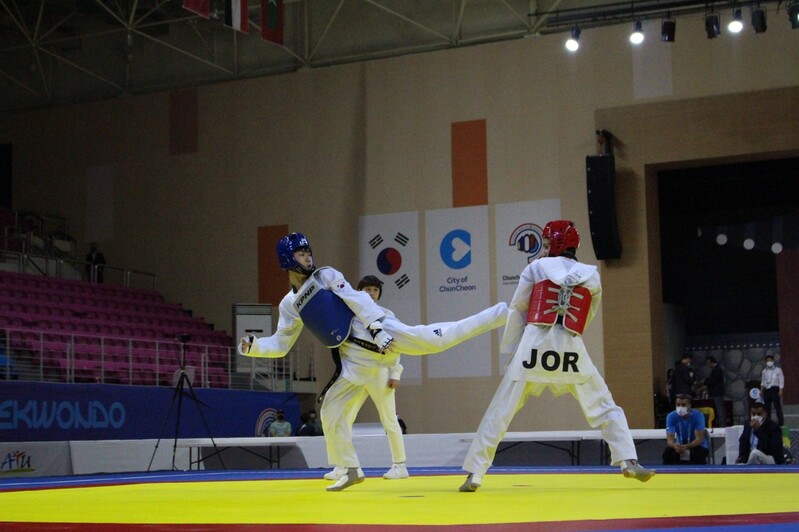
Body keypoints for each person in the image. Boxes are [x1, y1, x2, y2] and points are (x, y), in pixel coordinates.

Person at [239, 233, 508, 491]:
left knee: (433, 340)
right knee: (330, 410)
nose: (308, 258)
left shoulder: (326, 276)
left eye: (308, 252)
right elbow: (282, 343)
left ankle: (498, 315)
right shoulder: (289, 304)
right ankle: (350, 468)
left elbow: (357, 299)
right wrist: (255, 347)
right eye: (301, 253)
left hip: (371, 330)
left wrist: (377, 329)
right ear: (287, 258)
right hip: (353, 358)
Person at [459, 220, 654, 492]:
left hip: (534, 344)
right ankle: (628, 459)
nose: (546, 248)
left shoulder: (536, 267)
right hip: (571, 346)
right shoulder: (591, 275)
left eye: (548, 243)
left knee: (500, 411)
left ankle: (475, 473)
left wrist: (512, 350)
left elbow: (519, 308)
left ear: (556, 244)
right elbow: (588, 314)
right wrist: (571, 333)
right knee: (604, 403)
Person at [321, 275, 408, 486]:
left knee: (388, 418)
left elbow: (396, 345)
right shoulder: (347, 316)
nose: (370, 293)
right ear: (357, 292)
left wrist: (395, 373)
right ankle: (344, 465)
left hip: (379, 373)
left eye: (374, 290)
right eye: (366, 289)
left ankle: (400, 465)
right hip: (357, 373)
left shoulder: (386, 315)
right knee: (344, 417)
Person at [662, 394, 708, 465]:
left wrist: (687, 446)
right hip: (679, 445)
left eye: (683, 405)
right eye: (678, 405)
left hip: (696, 445)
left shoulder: (698, 416)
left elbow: (699, 439)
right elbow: (670, 440)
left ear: (689, 406)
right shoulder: (671, 416)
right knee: (667, 454)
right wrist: (675, 446)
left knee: (700, 454)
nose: (680, 407)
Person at [736, 399, 785, 465]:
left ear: (765, 415)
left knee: (755, 453)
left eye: (759, 414)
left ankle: (748, 471)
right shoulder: (748, 424)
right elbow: (743, 441)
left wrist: (758, 430)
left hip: (770, 458)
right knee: (738, 466)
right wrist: (741, 456)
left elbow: (773, 448)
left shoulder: (773, 427)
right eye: (753, 414)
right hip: (751, 460)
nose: (756, 416)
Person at [760, 354, 785, 426]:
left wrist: (781, 389)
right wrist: (761, 390)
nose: (769, 362)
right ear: (765, 362)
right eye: (767, 361)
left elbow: (781, 380)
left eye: (770, 360)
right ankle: (768, 422)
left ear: (773, 361)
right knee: (767, 407)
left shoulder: (778, 370)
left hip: (775, 388)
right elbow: (763, 381)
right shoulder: (764, 371)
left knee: (777, 406)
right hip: (767, 389)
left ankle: (780, 423)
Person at [704, 356, 725, 427]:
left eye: (708, 363)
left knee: (719, 409)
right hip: (716, 392)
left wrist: (706, 382)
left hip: (717, 392)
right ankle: (720, 423)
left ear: (711, 362)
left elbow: (713, 380)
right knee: (719, 408)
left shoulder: (717, 370)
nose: (708, 365)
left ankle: (722, 424)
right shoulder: (717, 369)